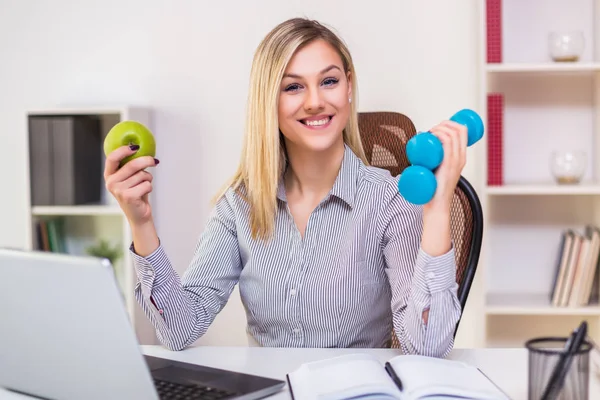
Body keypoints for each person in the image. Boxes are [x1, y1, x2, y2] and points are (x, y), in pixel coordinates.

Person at [104, 17, 466, 357]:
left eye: (329, 81)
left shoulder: (390, 202)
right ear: (269, 102)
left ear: (349, 86)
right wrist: (141, 222)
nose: (315, 101)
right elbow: (179, 329)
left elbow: (428, 348)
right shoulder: (241, 204)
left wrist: (436, 209)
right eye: (293, 87)